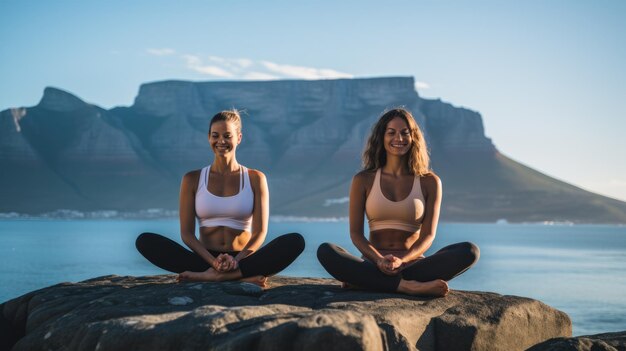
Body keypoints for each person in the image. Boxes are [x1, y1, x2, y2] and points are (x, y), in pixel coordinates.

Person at [317, 108, 479, 296]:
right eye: (391, 132)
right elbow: (356, 234)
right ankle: (407, 286)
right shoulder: (363, 179)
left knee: (469, 251)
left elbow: (428, 236)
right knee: (326, 251)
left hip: (412, 265)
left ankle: (369, 282)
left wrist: (402, 261)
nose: (399, 138)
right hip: (373, 263)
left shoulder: (429, 181)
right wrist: (379, 260)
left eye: (405, 133)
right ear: (381, 137)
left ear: (413, 138)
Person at [136, 110, 304, 287]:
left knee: (295, 242)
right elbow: (187, 234)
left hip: (243, 257)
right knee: (145, 241)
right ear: (208, 138)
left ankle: (214, 277)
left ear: (239, 138)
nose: (221, 141)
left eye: (227, 135)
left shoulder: (255, 178)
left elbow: (260, 232)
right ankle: (238, 276)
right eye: (215, 135)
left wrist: (236, 260)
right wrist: (213, 262)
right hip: (203, 259)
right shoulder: (192, 179)